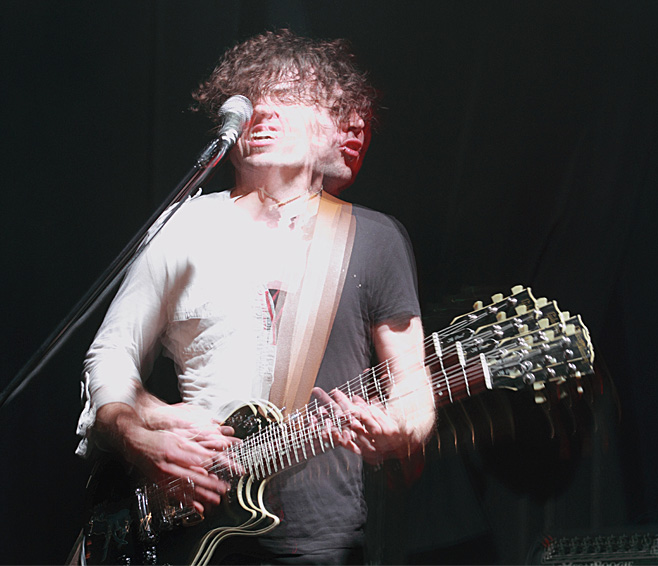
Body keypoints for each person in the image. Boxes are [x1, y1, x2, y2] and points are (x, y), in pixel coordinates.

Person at [75, 29, 435, 564]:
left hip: (322, 542)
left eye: (287, 95)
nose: (261, 108)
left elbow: (413, 388)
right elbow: (111, 355)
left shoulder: (374, 238)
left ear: (330, 124)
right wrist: (141, 437)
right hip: (191, 528)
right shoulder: (183, 227)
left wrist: (401, 429)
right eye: (249, 96)